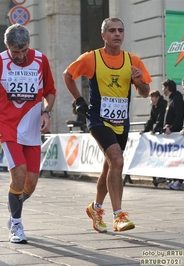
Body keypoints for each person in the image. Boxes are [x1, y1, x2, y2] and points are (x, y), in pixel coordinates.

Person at [63, 17, 151, 233]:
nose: (117, 34)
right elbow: (68, 75)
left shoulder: (133, 60)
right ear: (103, 35)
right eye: (112, 31)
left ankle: (96, 207)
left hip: (121, 122)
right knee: (117, 161)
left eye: (120, 30)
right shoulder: (91, 58)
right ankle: (118, 215)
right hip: (98, 119)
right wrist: (78, 100)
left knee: (110, 165)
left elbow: (145, 92)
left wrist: (139, 82)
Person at [0, 24, 56, 244]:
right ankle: (17, 225)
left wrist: (47, 112)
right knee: (18, 174)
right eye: (14, 52)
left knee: (31, 183)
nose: (19, 56)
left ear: (28, 44)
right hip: (8, 128)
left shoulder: (41, 60)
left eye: (23, 51)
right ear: (6, 46)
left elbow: (49, 91)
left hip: (33, 130)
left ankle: (13, 209)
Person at [161, 78, 184, 189]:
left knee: (178, 159)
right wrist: (166, 126)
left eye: (163, 87)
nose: (162, 90)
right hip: (171, 134)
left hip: (176, 134)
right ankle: (173, 180)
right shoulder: (171, 99)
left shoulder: (177, 99)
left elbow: (179, 117)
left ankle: (178, 181)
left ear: (168, 88)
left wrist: (172, 128)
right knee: (172, 159)